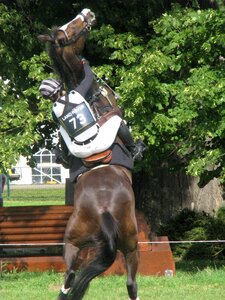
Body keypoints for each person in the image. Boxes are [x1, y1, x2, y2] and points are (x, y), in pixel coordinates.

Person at [39, 59, 147, 165]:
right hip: (100, 142)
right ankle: (134, 149)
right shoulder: (76, 94)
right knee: (116, 119)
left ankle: (65, 157)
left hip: (78, 151)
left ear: (49, 98)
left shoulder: (54, 112)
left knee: (62, 129)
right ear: (60, 87)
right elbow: (89, 77)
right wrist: (85, 64)